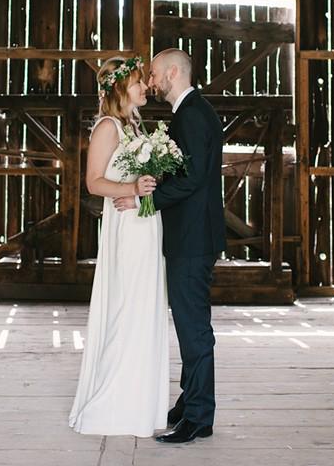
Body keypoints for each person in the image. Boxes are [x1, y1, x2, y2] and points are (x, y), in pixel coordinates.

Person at [115, 48, 225, 444]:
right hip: (190, 235)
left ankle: (198, 417)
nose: (152, 82)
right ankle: (188, 402)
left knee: (194, 328)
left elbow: (193, 179)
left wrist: (143, 200)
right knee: (188, 324)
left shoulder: (192, 114)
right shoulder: (189, 112)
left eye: (156, 74)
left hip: (193, 238)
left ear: (173, 72)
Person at [68, 56, 169, 438]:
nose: (146, 88)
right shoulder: (107, 127)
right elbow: (94, 182)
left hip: (145, 225)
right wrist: (131, 189)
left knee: (143, 307)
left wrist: (151, 183)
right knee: (126, 306)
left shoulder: (135, 123)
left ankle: (138, 402)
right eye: (139, 83)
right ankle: (112, 403)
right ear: (119, 88)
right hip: (126, 228)